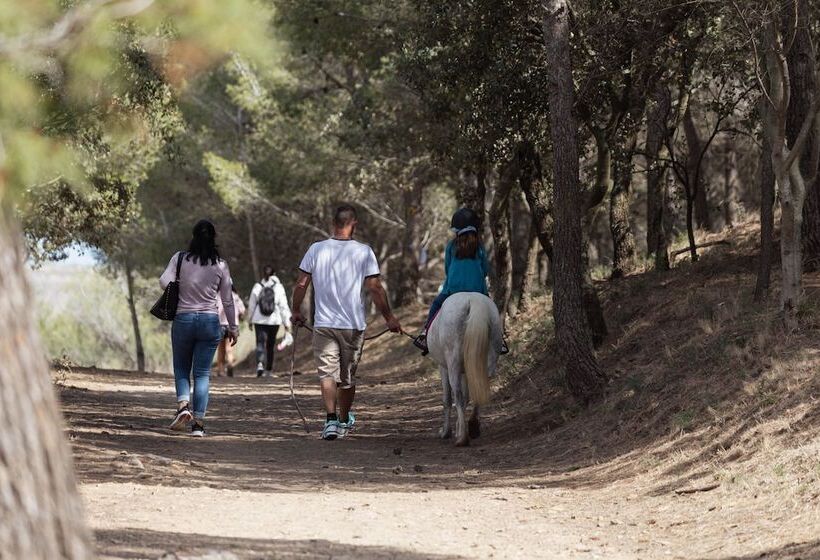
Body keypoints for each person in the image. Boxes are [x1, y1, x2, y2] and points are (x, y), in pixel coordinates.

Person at [291, 204, 402, 441]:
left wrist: (296, 311)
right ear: (354, 224)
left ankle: (330, 420)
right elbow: (375, 288)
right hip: (353, 325)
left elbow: (301, 284)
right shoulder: (364, 252)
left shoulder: (316, 249)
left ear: (333, 223)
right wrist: (390, 318)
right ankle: (342, 420)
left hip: (324, 323)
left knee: (327, 374)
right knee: (347, 377)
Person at [161, 219, 237, 437]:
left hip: (183, 319)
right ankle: (198, 425)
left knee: (181, 367)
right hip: (210, 322)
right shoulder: (221, 265)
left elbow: (163, 281)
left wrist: (181, 287)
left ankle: (183, 407)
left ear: (193, 237)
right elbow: (228, 300)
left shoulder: (180, 258)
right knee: (202, 373)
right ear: (213, 239)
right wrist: (233, 327)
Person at [413, 207, 507, 355]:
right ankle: (499, 340)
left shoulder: (451, 246)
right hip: (478, 290)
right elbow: (485, 269)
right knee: (491, 310)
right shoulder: (480, 247)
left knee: (436, 305)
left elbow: (447, 268)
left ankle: (425, 334)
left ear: (457, 230)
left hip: (453, 290)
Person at [247, 266, 291, 377]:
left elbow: (252, 305)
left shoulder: (257, 286)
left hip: (259, 319)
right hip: (274, 320)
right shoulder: (279, 287)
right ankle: (269, 370)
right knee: (270, 345)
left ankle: (260, 365)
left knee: (260, 343)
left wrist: (250, 320)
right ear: (274, 274)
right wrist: (287, 323)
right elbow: (283, 306)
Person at [216, 284, 246, 377]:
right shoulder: (235, 296)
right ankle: (230, 364)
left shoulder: (218, 295)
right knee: (229, 348)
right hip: (233, 325)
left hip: (220, 324)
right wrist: (239, 317)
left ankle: (221, 370)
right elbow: (242, 310)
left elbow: (215, 309)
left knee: (221, 348)